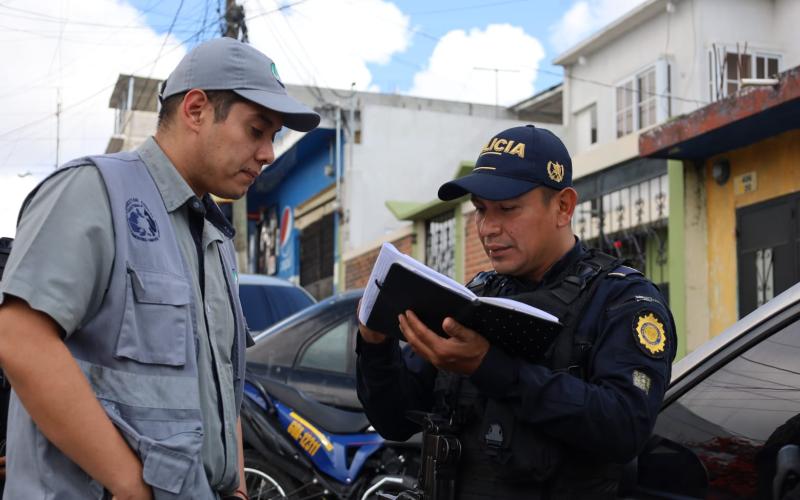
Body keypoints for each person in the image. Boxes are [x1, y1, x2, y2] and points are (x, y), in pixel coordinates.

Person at [0, 37, 319, 499]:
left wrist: (236, 486)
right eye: (257, 130)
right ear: (195, 110)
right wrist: (132, 486)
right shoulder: (93, 191)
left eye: (273, 137)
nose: (268, 153)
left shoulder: (214, 236)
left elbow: (222, 384)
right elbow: (20, 340)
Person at [356, 125, 677, 499]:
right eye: (480, 210)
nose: (488, 228)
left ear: (563, 207)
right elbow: (393, 422)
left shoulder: (622, 301)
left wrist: (489, 367)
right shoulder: (472, 298)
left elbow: (624, 429)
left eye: (507, 209)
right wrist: (374, 344)